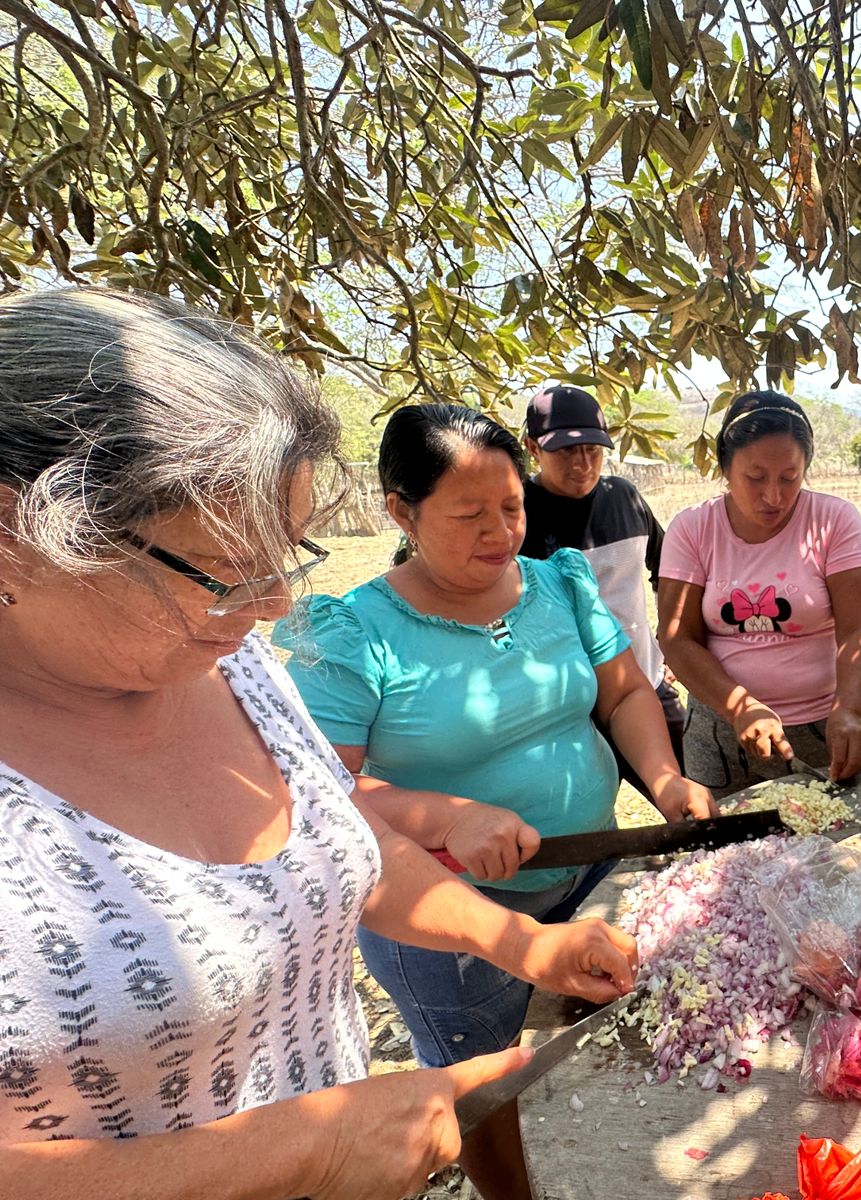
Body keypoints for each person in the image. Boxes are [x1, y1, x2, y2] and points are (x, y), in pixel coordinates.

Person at [0, 289, 635, 1200]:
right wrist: (301, 1153)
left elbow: (345, 839)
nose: (274, 605)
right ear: (17, 534)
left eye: (286, 556)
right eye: (225, 572)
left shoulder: (236, 665)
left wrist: (522, 942)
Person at [277, 403, 712, 1199]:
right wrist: (450, 818)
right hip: (448, 918)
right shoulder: (354, 633)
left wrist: (664, 779)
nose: (501, 531)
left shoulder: (561, 585)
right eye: (469, 513)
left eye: (511, 506)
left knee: (607, 1030)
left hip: (592, 871)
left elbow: (624, 693)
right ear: (402, 511)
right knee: (485, 1086)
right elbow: (320, 793)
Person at [656, 390, 861, 797]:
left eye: (789, 478)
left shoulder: (834, 521)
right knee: (727, 838)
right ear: (725, 468)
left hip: (819, 732)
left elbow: (859, 628)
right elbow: (677, 638)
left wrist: (849, 710)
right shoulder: (692, 529)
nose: (774, 496)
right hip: (719, 732)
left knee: (827, 835)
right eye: (755, 478)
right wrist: (739, 706)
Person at [519, 383, 686, 793]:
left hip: (644, 685)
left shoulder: (624, 498)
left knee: (687, 800)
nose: (583, 464)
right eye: (566, 451)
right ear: (532, 448)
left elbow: (667, 569)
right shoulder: (516, 513)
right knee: (588, 816)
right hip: (565, 710)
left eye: (593, 450)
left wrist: (670, 640)